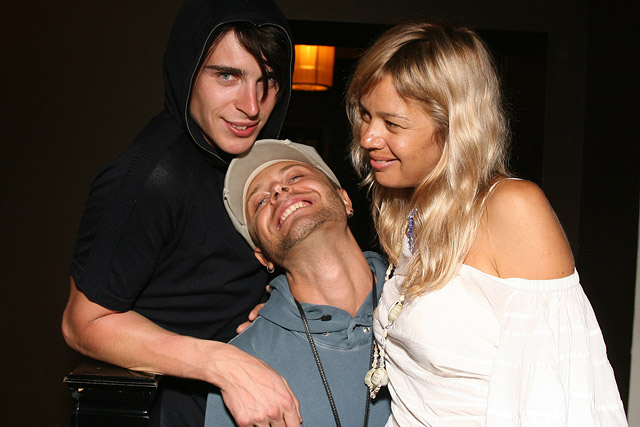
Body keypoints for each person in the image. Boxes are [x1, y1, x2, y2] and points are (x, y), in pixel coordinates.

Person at [345, 21, 628, 426]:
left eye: (392, 124)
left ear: (454, 126)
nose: (368, 137)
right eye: (365, 115)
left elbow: (559, 399)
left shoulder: (512, 207)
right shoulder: (412, 210)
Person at [61, 1, 301, 426]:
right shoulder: (152, 178)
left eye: (268, 80)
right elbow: (83, 323)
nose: (251, 105)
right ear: (187, 71)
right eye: (227, 76)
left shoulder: (247, 166)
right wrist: (222, 362)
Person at [204, 139, 392, 426]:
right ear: (263, 256)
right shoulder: (243, 366)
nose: (278, 191)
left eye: (295, 177)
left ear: (345, 200)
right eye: (260, 202)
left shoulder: (427, 295)